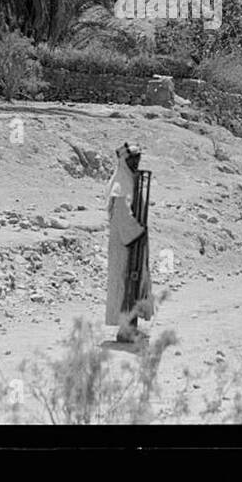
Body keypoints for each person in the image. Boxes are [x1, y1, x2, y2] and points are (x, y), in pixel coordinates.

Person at [106, 142, 151, 343]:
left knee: (134, 281)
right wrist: (137, 231)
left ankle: (131, 327)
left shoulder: (129, 180)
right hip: (125, 242)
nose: (136, 163)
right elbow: (122, 216)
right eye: (133, 160)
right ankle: (125, 330)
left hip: (131, 239)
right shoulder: (120, 185)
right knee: (127, 284)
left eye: (138, 159)